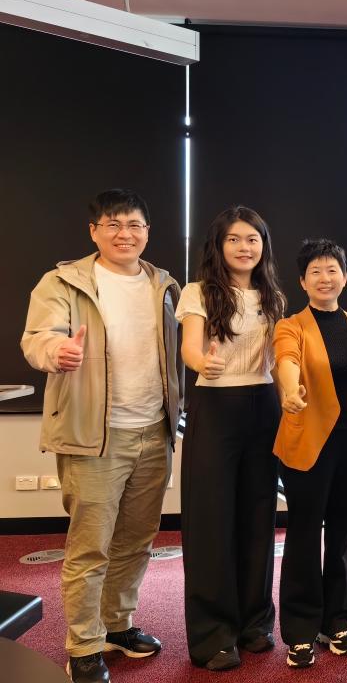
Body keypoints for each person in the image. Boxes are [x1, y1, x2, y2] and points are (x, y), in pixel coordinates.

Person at [21, 189, 180, 683]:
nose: (124, 234)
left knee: (136, 541)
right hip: (95, 436)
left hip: (153, 431)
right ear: (94, 231)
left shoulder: (163, 284)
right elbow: (37, 338)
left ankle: (117, 625)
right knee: (90, 547)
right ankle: (84, 646)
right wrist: (57, 352)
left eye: (134, 225)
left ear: (147, 232)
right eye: (112, 224)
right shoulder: (63, 282)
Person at [177, 206, 286, 671]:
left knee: (259, 517)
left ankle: (255, 623)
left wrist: (293, 396)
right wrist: (202, 362)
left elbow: (281, 359)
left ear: (263, 246)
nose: (245, 247)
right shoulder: (198, 292)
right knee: (211, 521)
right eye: (234, 239)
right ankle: (213, 635)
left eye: (253, 239)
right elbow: (190, 346)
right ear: (218, 246)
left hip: (265, 406)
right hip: (216, 406)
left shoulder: (273, 296)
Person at [272, 239, 347, 668]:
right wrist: (289, 391)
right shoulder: (291, 327)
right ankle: (300, 632)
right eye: (315, 272)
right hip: (307, 444)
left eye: (332, 270)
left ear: (345, 277)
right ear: (303, 282)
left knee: (340, 535)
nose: (325, 278)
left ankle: (336, 622)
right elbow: (285, 361)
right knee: (304, 536)